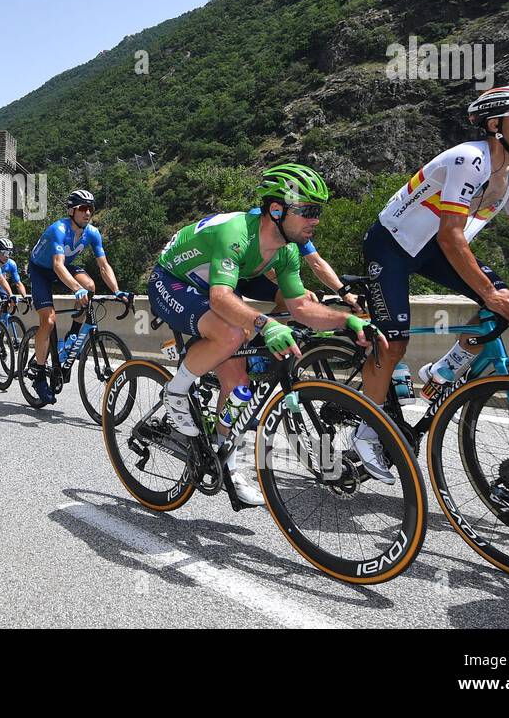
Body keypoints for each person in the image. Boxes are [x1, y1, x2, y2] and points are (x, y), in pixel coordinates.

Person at [359, 85, 509, 472]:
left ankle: (443, 371)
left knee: (505, 304)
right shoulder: (470, 159)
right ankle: (368, 429)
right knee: (392, 344)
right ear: (495, 124)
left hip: (437, 249)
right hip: (394, 245)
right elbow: (452, 233)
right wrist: (488, 292)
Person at [148, 164, 385, 501]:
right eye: (308, 211)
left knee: (240, 385)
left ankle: (226, 457)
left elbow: (301, 307)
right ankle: (176, 391)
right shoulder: (236, 233)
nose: (315, 220)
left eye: (317, 212)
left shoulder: (286, 252)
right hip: (172, 281)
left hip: (208, 287)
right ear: (276, 210)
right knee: (232, 333)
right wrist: (265, 324)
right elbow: (220, 297)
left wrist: (347, 321)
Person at [24, 189, 130, 404]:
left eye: (91, 208)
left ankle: (72, 338)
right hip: (41, 270)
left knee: (90, 285)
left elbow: (103, 266)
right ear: (71, 210)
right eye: (83, 208)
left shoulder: (92, 232)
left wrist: (117, 291)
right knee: (49, 321)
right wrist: (75, 289)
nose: (87, 212)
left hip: (66, 265)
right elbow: (57, 265)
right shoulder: (58, 229)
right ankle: (40, 373)